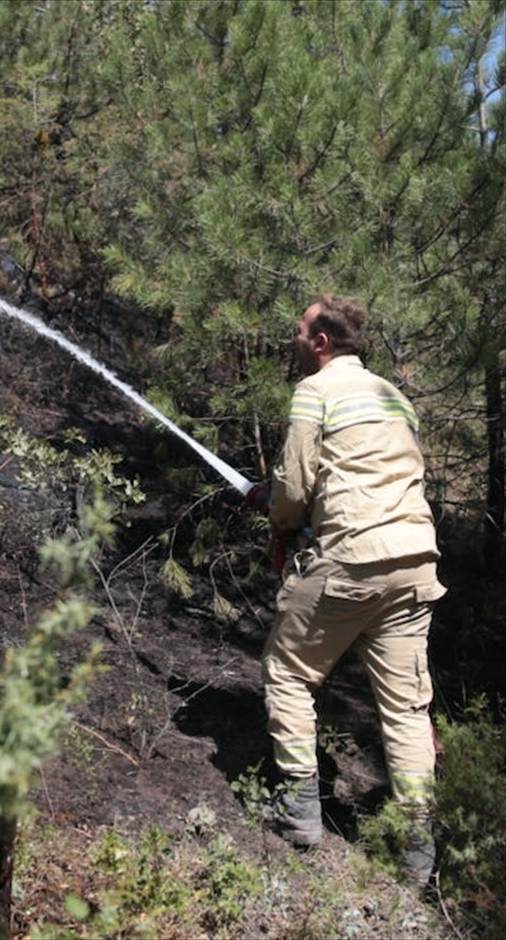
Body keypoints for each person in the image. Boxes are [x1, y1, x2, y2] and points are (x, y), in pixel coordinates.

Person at [246, 294, 445, 887]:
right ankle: (415, 850)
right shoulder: (395, 397)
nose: (294, 338)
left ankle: (300, 810)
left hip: (352, 563)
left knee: (288, 673)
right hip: (415, 563)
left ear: (322, 343)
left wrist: (274, 511)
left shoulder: (316, 392)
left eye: (299, 330)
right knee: (408, 710)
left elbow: (295, 487)